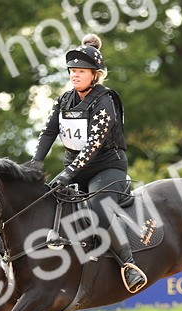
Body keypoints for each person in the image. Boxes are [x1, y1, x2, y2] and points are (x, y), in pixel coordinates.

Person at [31, 34, 147, 293]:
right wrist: (34, 164)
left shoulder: (105, 101)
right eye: (72, 71)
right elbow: (49, 133)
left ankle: (129, 265)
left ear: (95, 75)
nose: (74, 75)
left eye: (80, 71)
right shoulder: (64, 100)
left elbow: (93, 147)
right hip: (74, 168)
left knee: (98, 207)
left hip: (107, 168)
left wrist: (67, 173)